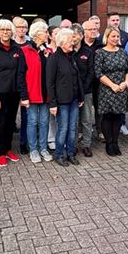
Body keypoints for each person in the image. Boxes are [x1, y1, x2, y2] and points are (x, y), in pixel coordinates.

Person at [0, 19, 22, 167]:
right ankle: (1, 152)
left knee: (10, 122)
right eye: (2, 30)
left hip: (14, 93)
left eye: (8, 30)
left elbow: (21, 72)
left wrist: (22, 93)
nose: (5, 32)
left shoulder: (17, 50)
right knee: (1, 123)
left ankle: (8, 150)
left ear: (12, 31)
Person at [46, 28, 84, 166]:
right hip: (61, 102)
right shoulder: (54, 58)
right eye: (70, 41)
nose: (72, 43)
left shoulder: (72, 57)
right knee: (63, 128)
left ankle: (70, 154)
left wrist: (80, 97)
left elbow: (77, 77)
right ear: (61, 42)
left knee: (72, 128)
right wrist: (53, 103)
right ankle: (58, 154)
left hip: (74, 99)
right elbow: (49, 83)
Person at [18, 21, 53, 163]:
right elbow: (20, 75)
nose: (47, 34)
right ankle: (33, 150)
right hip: (31, 94)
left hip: (45, 94)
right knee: (32, 122)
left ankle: (43, 148)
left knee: (44, 122)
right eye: (45, 32)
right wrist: (23, 95)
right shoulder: (25, 51)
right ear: (38, 34)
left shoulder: (48, 51)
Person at [94, 26, 128, 156]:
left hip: (121, 89)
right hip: (107, 90)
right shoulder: (100, 53)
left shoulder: (123, 52)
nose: (116, 39)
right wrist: (112, 85)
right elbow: (98, 73)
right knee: (107, 116)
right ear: (107, 37)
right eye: (113, 36)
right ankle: (109, 143)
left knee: (118, 116)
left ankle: (115, 142)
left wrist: (125, 83)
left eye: (117, 36)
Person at [72, 23, 94, 157]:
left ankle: (86, 145)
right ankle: (73, 145)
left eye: (75, 35)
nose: (73, 38)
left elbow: (91, 73)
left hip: (86, 92)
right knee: (73, 121)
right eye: (71, 36)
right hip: (72, 93)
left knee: (86, 120)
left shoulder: (88, 52)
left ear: (81, 36)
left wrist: (83, 91)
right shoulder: (67, 52)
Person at [12, 16, 31, 155]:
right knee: (11, 116)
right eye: (19, 27)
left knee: (26, 116)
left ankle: (24, 142)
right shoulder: (11, 45)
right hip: (12, 85)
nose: (21, 29)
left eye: (24, 27)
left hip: (27, 86)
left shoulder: (31, 44)